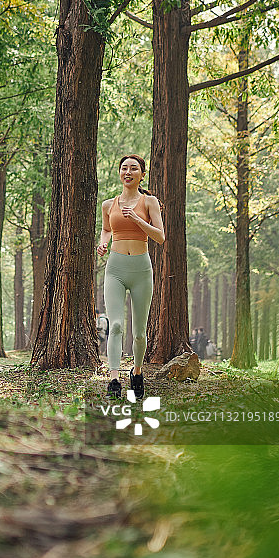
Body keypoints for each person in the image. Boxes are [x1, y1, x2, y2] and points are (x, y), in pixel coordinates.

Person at [97, 155, 165, 400]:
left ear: (142, 175)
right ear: (119, 173)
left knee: (139, 332)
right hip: (115, 268)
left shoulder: (150, 202)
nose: (128, 172)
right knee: (115, 325)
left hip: (141, 270)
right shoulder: (108, 205)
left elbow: (160, 236)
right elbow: (106, 229)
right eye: (124, 168)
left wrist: (137, 218)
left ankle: (136, 372)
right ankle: (114, 378)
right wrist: (102, 244)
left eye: (133, 168)